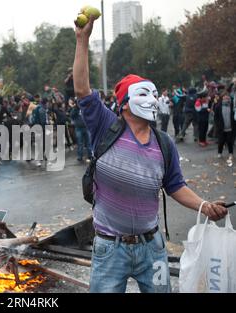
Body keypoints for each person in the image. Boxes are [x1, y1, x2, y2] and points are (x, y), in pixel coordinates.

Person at [73, 16, 228, 293]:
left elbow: (175, 186)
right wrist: (82, 40)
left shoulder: (164, 143)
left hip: (152, 249)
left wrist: (204, 206)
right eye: (145, 94)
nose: (153, 100)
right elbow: (82, 89)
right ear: (124, 103)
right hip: (109, 249)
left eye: (155, 94)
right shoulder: (104, 126)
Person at [214, 92, 234, 161]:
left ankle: (230, 153)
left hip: (230, 127)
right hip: (221, 128)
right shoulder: (218, 106)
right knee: (221, 141)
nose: (226, 97)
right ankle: (219, 153)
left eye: (227, 96)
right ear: (222, 97)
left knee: (230, 141)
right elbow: (216, 117)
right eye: (225, 96)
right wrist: (217, 125)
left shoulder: (232, 105)